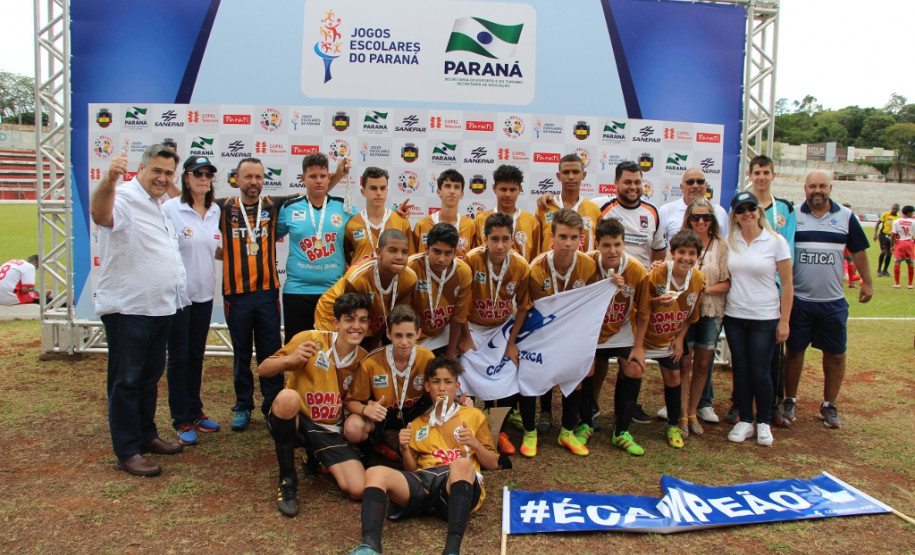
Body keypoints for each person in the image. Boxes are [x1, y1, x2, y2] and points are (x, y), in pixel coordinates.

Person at [90, 145, 187, 476]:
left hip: (158, 308)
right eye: (156, 171)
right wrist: (109, 180)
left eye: (168, 173)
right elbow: (101, 215)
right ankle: (127, 450)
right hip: (128, 309)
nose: (162, 178)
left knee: (148, 378)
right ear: (141, 169)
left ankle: (146, 435)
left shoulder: (158, 204)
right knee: (126, 380)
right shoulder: (125, 196)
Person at [346, 357, 498, 555]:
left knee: (461, 464)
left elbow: (493, 463)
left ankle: (452, 549)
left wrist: (474, 443)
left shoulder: (473, 416)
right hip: (425, 484)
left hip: (456, 487)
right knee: (375, 473)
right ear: (427, 386)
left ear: (457, 386)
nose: (442, 388)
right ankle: (370, 546)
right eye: (436, 382)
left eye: (448, 382)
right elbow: (412, 472)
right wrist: (404, 449)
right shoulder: (418, 423)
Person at [256, 292, 370, 517]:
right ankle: (287, 480)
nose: (356, 326)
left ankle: (314, 453)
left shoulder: (364, 360)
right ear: (336, 322)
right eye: (349, 319)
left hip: (328, 429)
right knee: (287, 398)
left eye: (363, 320)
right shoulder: (310, 339)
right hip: (297, 420)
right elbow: (263, 369)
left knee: (358, 489)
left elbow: (353, 401)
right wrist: (291, 360)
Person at [783, 170, 873, 429]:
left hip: (832, 301)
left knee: (835, 355)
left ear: (830, 188)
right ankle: (789, 399)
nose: (817, 190)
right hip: (799, 300)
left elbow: (858, 251)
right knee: (794, 352)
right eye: (812, 186)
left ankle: (828, 405)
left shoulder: (846, 216)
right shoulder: (793, 216)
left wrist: (867, 282)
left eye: (822, 186)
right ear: (805, 188)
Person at [522, 208, 598, 457]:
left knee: (573, 379)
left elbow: (591, 303)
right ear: (552, 238)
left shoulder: (588, 266)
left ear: (581, 239)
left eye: (574, 237)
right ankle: (529, 432)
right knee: (533, 379)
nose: (568, 243)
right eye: (563, 237)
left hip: (571, 335)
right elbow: (529, 310)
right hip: (541, 334)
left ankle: (566, 432)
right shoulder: (536, 268)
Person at [722, 192, 793, 446]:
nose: (747, 213)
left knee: (761, 371)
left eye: (751, 208)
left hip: (765, 317)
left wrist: (784, 321)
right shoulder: (729, 241)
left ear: (759, 211)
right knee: (741, 369)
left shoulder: (776, 241)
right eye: (741, 210)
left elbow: (787, 284)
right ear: (735, 216)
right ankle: (745, 420)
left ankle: (763, 422)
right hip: (735, 315)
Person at [461, 212, 533, 455]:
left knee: (510, 370)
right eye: (494, 239)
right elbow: (459, 303)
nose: (500, 245)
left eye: (505, 239)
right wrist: (465, 337)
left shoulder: (521, 266)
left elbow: (523, 307)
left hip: (502, 329)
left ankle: (497, 429)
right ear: (485, 239)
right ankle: (473, 426)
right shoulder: (471, 260)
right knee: (466, 373)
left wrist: (511, 343)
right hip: (473, 328)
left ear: (512, 239)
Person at [162, 155, 222, 446]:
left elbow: (217, 249)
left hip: (204, 295)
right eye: (197, 173)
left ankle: (195, 412)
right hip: (178, 297)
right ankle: (181, 418)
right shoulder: (171, 209)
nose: (203, 178)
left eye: (208, 173)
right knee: (179, 357)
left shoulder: (215, 211)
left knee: (196, 356)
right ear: (185, 178)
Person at [628, 229, 704, 449]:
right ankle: (622, 424)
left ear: (697, 256)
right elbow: (639, 307)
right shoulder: (657, 274)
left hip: (669, 339)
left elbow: (692, 316)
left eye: (692, 253)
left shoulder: (698, 278)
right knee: (632, 373)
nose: (686, 258)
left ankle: (672, 425)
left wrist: (680, 339)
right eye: (681, 252)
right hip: (644, 337)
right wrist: (655, 301)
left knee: (673, 377)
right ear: (671, 252)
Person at [343, 305, 436, 464]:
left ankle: (421, 447)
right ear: (388, 334)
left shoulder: (427, 357)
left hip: (413, 411)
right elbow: (350, 402)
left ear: (418, 334)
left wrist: (456, 401)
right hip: (382, 414)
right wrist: (366, 409)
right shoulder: (371, 362)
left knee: (441, 414)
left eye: (409, 335)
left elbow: (436, 393)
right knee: (353, 428)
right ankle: (369, 448)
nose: (404, 342)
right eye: (398, 335)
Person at [587, 218, 648, 456]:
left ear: (624, 244)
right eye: (607, 245)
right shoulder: (586, 264)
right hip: (592, 332)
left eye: (618, 245)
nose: (612, 251)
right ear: (597, 244)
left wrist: (639, 347)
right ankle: (585, 422)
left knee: (634, 368)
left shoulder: (636, 269)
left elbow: (643, 314)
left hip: (621, 332)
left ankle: (621, 430)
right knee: (587, 369)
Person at [744, 155, 796, 429]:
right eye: (757, 172)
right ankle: (739, 404)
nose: (761, 176)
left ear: (773, 176)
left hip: (773, 292)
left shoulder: (785, 209)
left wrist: (776, 285)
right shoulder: (743, 205)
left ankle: (774, 405)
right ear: (750, 175)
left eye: (766, 172)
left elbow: (788, 248)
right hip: (745, 292)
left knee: (773, 354)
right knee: (743, 353)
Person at [278, 152, 352, 340]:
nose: (318, 181)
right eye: (312, 176)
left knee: (333, 346)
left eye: (323, 176)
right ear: (303, 179)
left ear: (329, 177)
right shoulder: (289, 208)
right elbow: (267, 238)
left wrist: (393, 212)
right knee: (297, 346)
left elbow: (369, 223)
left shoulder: (343, 207)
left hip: (333, 290)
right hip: (297, 290)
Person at [677, 198, 729, 436]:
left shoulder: (720, 245)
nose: (700, 221)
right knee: (684, 364)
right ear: (688, 218)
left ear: (713, 220)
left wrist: (703, 289)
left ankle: (693, 411)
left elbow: (727, 282)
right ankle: (681, 413)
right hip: (685, 312)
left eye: (706, 217)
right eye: (695, 217)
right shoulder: (681, 242)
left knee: (703, 364)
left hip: (710, 311)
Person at [314, 229, 416, 347]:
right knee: (339, 354)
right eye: (393, 251)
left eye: (404, 252)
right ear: (379, 252)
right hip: (333, 314)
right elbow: (349, 317)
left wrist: (374, 344)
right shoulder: (358, 278)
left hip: (370, 318)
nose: (400, 257)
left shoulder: (410, 279)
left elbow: (391, 315)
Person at [407, 223, 472, 359]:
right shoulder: (411, 267)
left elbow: (458, 316)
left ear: (455, 253)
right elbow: (403, 312)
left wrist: (450, 353)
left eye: (448, 253)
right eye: (436, 251)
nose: (441, 259)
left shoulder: (463, 272)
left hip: (444, 335)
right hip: (413, 334)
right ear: (426, 249)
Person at [595, 160, 667, 268]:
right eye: (627, 182)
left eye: (637, 182)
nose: (633, 187)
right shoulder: (599, 207)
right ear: (616, 183)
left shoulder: (652, 212)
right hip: (609, 277)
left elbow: (659, 250)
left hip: (641, 278)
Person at [344, 166, 413, 266]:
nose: (379, 193)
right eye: (373, 188)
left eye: (382, 188)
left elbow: (409, 256)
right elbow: (347, 257)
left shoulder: (401, 222)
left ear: (387, 190)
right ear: (363, 192)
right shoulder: (352, 224)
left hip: (392, 280)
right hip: (362, 281)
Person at [535, 153, 601, 254]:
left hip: (584, 269)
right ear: (558, 176)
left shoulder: (594, 209)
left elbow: (599, 247)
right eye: (566, 172)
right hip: (550, 269)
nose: (571, 177)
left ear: (584, 175)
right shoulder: (545, 207)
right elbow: (536, 246)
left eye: (575, 172)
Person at [473, 164, 540, 262]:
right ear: (494, 188)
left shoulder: (531, 221)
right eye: (503, 189)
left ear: (520, 189)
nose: (508, 194)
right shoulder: (481, 219)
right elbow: (475, 255)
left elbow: (535, 259)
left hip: (521, 276)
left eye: (513, 189)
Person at [413, 169, 477, 260]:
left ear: (462, 194)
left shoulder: (470, 225)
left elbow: (475, 258)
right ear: (439, 192)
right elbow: (412, 259)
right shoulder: (423, 224)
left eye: (456, 187)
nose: (452, 191)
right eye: (447, 186)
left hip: (459, 274)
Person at [658, 168, 729, 243]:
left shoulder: (719, 212)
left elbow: (723, 243)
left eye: (700, 182)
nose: (695, 186)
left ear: (706, 185)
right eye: (690, 182)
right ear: (681, 187)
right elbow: (660, 246)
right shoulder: (665, 211)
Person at [891, 205, 914, 289]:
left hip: (900, 243)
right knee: (910, 263)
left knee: (897, 262)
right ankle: (910, 284)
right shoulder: (913, 222)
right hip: (909, 243)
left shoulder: (896, 222)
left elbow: (893, 235)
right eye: (912, 212)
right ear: (909, 213)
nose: (912, 214)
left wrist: (892, 246)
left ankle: (897, 283)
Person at [874, 203, 900, 277]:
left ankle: (885, 270)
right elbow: (878, 223)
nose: (894, 210)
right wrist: (875, 234)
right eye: (893, 208)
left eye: (895, 209)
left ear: (898, 210)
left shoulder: (899, 217)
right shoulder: (886, 214)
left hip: (892, 237)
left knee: (889, 253)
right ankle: (879, 269)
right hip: (883, 235)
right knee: (883, 252)